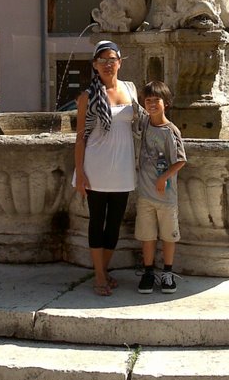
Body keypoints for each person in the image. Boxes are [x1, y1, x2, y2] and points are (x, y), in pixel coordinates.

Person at [74, 41, 138, 296]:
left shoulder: (130, 89)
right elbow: (80, 137)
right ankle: (99, 276)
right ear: (95, 65)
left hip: (123, 167)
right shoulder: (87, 97)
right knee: (97, 221)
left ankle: (103, 270)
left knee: (114, 223)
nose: (108, 64)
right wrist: (80, 172)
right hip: (97, 167)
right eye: (103, 60)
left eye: (112, 59)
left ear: (120, 62)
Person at [134, 81, 187, 294]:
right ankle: (148, 271)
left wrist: (163, 177)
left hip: (166, 196)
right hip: (145, 194)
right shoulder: (145, 122)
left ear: (166, 103)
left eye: (157, 100)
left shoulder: (170, 131)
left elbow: (181, 160)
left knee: (168, 235)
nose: (152, 104)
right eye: (148, 101)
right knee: (147, 234)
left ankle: (167, 272)